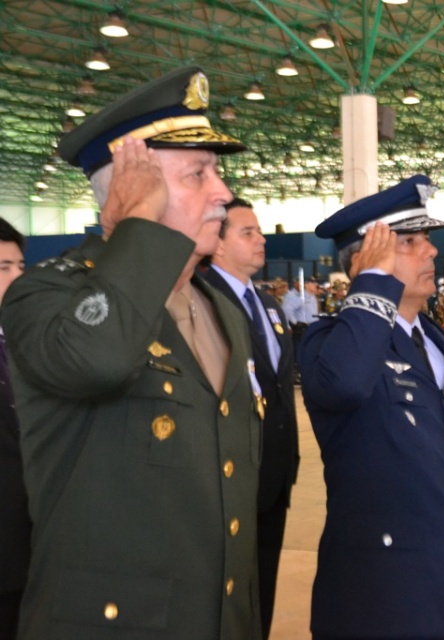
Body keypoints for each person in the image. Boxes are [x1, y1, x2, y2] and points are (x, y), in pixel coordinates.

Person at [2, 67, 262, 638]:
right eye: (198, 173)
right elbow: (99, 357)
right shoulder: (46, 294)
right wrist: (135, 228)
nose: (222, 193)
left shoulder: (219, 311)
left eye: (216, 172)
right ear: (132, 187)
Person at [302, 175, 444, 638]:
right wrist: (371, 283)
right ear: (366, 260)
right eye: (410, 241)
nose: (431, 252)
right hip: (379, 586)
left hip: (441, 571)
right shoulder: (333, 342)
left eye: (428, 240)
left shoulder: (434, 341)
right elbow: (345, 386)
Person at [200, 198, 300, 639]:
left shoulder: (268, 304)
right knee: (229, 591)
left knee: (265, 582)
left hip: (275, 471)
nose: (261, 240)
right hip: (232, 472)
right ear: (217, 246)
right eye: (247, 233)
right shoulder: (203, 300)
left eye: (259, 232)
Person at [0, 218, 26, 640]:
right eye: (4, 267)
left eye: (20, 265)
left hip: (29, 548)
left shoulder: (22, 341)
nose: (18, 276)